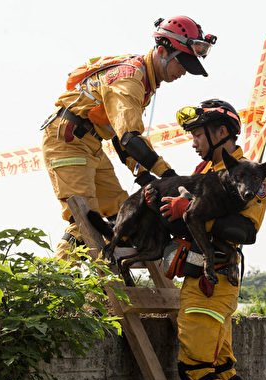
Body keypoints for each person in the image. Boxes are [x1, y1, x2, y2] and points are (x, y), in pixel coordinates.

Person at [41, 16, 216, 260]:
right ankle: (54, 284)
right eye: (182, 64)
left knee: (122, 211)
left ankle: (114, 278)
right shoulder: (130, 79)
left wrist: (143, 175)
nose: (184, 72)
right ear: (163, 51)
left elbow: (119, 134)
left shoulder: (144, 80)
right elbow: (130, 139)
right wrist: (168, 176)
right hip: (68, 142)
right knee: (83, 219)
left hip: (90, 145)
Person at [159, 99, 266, 380]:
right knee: (222, 366)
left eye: (198, 134)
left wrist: (193, 213)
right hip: (208, 280)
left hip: (211, 281)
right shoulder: (208, 173)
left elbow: (246, 231)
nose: (193, 142)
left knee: (195, 367)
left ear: (221, 131)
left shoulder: (249, 176)